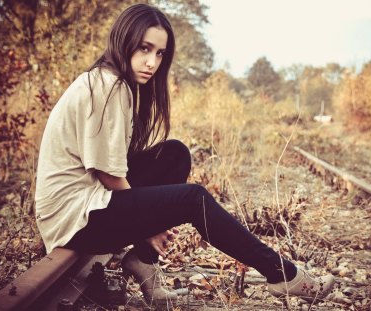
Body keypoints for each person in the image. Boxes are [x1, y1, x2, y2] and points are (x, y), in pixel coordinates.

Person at [35, 3, 335, 307]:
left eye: (160, 53)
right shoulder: (108, 85)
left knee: (174, 154)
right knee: (192, 199)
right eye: (144, 49)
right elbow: (110, 175)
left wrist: (146, 226)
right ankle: (281, 274)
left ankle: (143, 262)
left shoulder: (113, 82)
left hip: (89, 205)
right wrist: (148, 228)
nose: (152, 62)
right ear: (123, 41)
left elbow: (115, 170)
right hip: (74, 220)